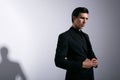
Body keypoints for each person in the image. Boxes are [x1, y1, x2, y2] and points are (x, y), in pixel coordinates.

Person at [54, 7, 98, 80]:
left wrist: (94, 60)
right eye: (82, 18)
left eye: (86, 19)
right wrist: (82, 64)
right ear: (74, 18)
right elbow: (59, 61)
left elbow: (91, 55)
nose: (85, 21)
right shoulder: (65, 36)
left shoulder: (86, 36)